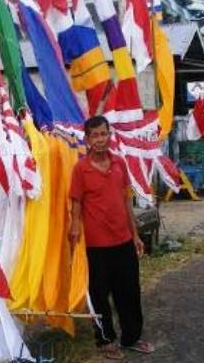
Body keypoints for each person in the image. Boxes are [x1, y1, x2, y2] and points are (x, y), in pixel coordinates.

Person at [69, 115, 154, 360]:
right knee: (99, 295)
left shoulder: (119, 164)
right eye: (94, 135)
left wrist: (135, 235)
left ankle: (131, 338)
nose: (100, 139)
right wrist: (75, 227)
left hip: (124, 241)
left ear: (110, 135)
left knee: (129, 292)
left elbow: (126, 200)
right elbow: (76, 202)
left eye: (103, 134)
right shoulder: (80, 169)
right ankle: (106, 341)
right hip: (96, 246)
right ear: (87, 139)